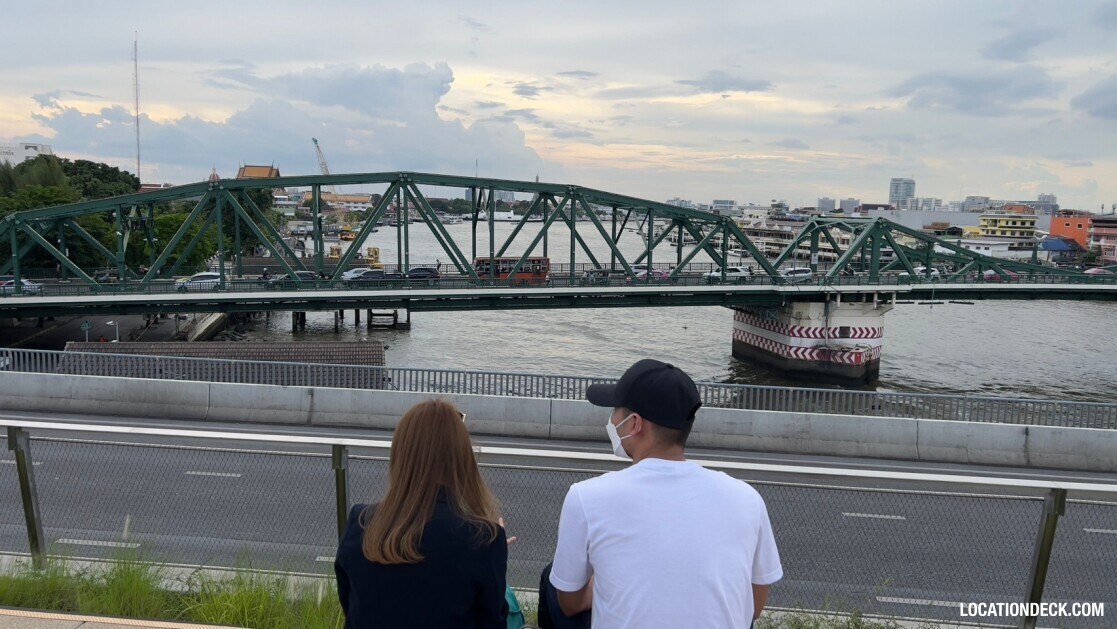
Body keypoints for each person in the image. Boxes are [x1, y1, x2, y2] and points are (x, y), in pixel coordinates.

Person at [545, 359, 782, 629]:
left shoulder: (587, 497)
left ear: (634, 424)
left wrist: (602, 585)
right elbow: (754, 607)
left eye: (615, 411)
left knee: (552, 579)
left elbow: (570, 602)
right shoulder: (747, 498)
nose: (611, 420)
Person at [334, 399, 510, 628]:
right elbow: (493, 622)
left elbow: (352, 605)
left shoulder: (362, 524)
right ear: (462, 459)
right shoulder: (484, 540)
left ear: (401, 454)